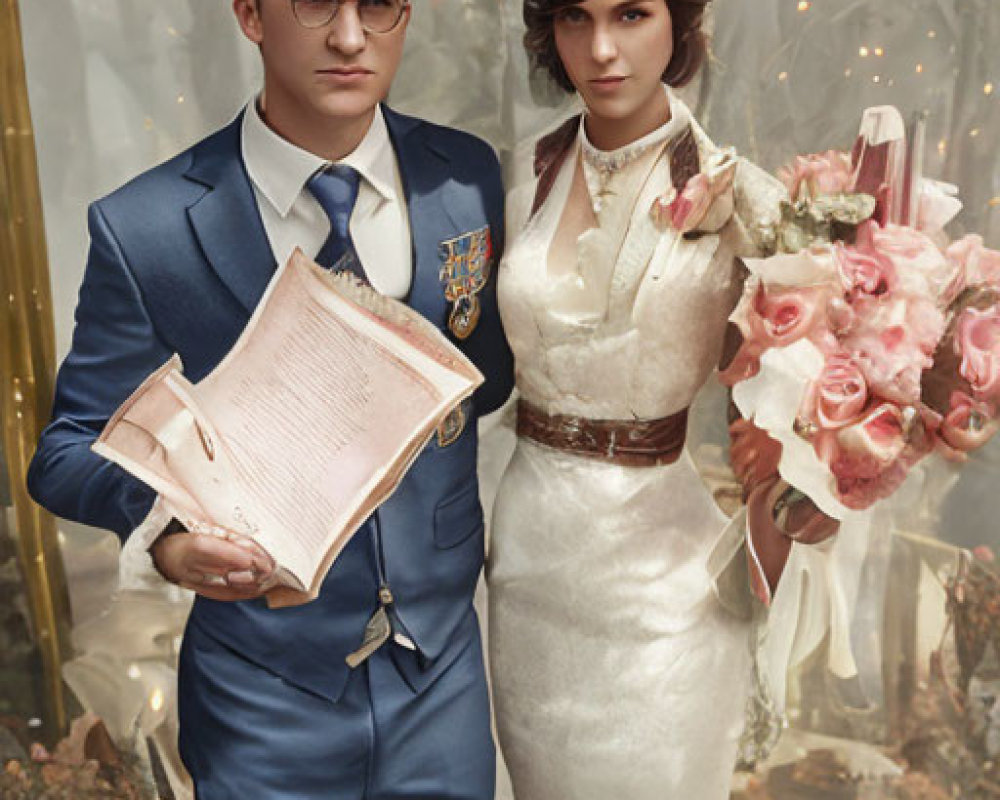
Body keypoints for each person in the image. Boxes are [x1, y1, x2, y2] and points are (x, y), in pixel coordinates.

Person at [26, 0, 513, 797]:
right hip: (264, 696)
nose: (350, 37)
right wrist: (167, 535)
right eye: (317, 3)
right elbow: (67, 452)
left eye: (378, 6)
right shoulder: (146, 226)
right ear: (250, 13)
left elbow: (485, 378)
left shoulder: (464, 178)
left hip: (443, 677)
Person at [487, 0, 833, 796]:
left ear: (679, 22)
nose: (602, 49)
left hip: (664, 583)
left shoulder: (741, 197)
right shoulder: (518, 176)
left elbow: (814, 397)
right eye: (576, 17)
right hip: (527, 569)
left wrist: (794, 494)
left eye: (633, 14)